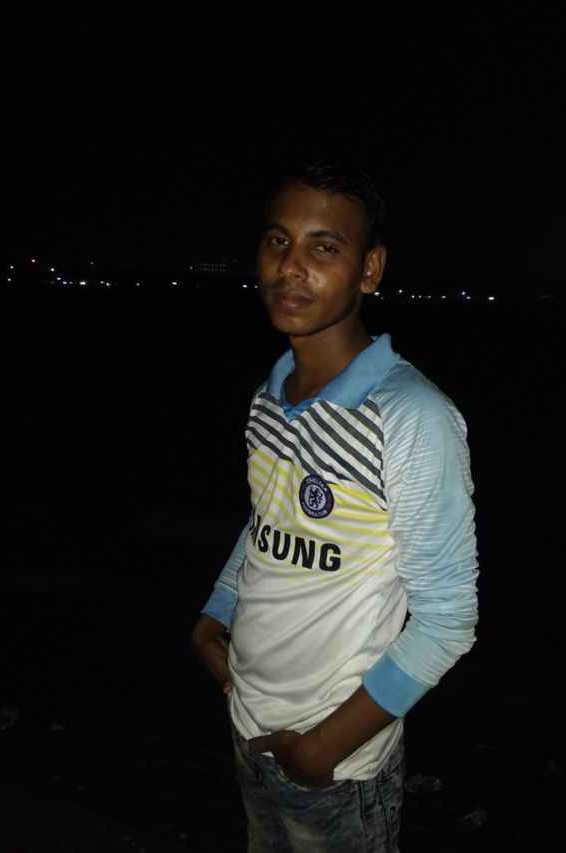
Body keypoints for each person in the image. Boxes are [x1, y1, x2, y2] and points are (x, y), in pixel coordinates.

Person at [191, 154, 479, 852]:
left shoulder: (410, 417)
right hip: (247, 721)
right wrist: (214, 615)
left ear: (369, 269)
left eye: (324, 247)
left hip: (336, 765)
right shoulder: (270, 397)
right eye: (278, 240)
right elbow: (267, 522)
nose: (291, 265)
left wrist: (320, 751)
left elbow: (447, 621)